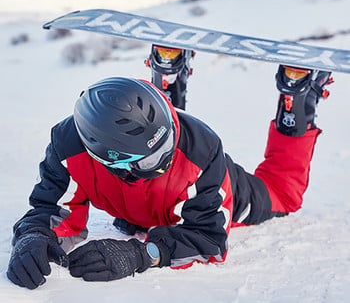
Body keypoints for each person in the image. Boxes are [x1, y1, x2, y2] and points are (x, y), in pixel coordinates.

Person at [7, 45, 333, 289]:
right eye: (152, 159)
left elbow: (209, 240)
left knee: (283, 193)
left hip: (215, 189)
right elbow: (51, 210)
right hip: (142, 207)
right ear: (106, 159)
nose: (166, 159)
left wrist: (143, 254)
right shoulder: (69, 149)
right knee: (154, 155)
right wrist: (34, 238)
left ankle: (299, 99)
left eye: (167, 143)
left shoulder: (198, 149)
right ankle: (169, 70)